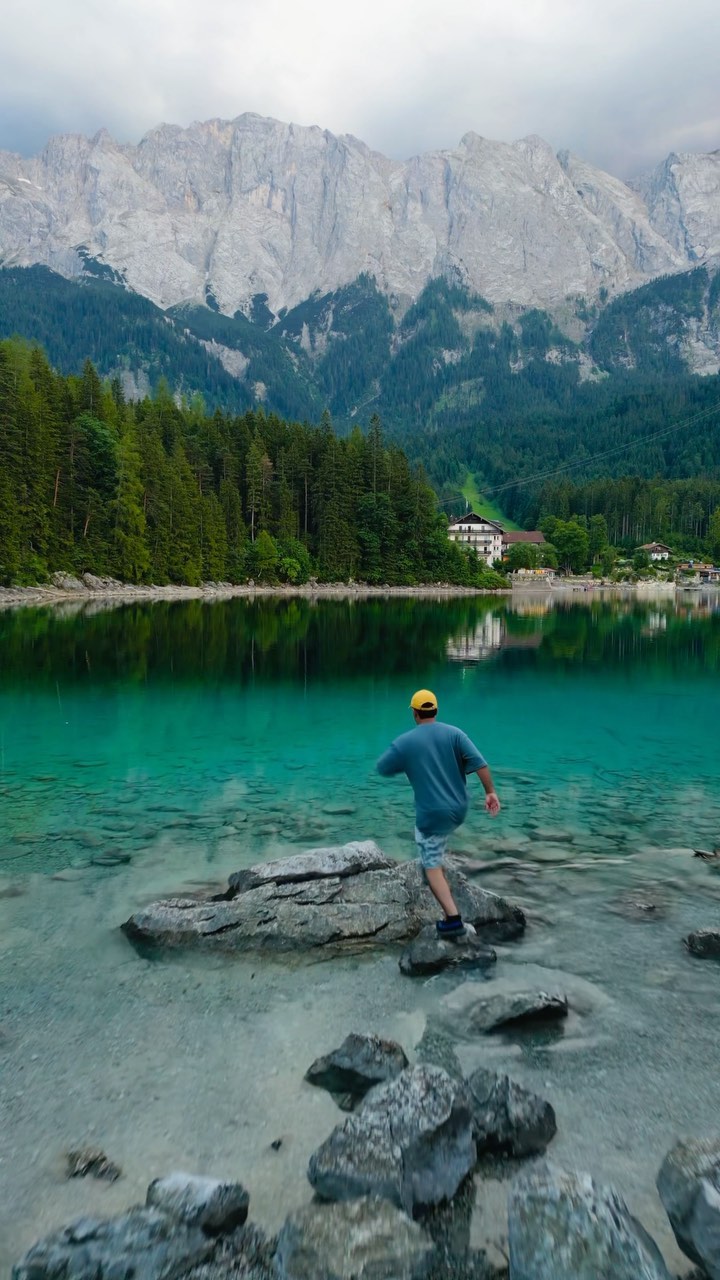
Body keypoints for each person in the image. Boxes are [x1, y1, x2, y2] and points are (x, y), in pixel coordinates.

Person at [376, 689, 501, 936]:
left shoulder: (406, 742)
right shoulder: (455, 733)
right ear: (435, 710)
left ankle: (453, 919)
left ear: (414, 713)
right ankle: (439, 866)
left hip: (433, 814)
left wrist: (409, 759)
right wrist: (490, 792)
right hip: (459, 809)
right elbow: (480, 763)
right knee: (436, 843)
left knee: (430, 863)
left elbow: (384, 767)